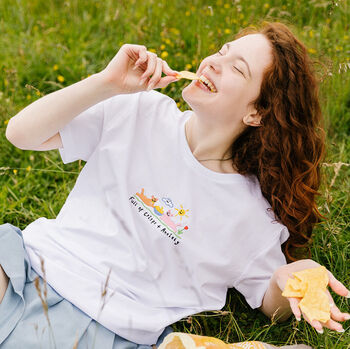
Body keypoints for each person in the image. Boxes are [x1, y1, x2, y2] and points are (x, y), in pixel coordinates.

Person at [1, 21, 349, 348]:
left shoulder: (250, 216)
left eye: (237, 68)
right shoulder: (139, 111)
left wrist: (289, 275)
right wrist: (108, 83)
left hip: (105, 328)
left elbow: (269, 304)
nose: (214, 62)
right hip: (27, 266)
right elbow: (21, 133)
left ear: (256, 113)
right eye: (223, 51)